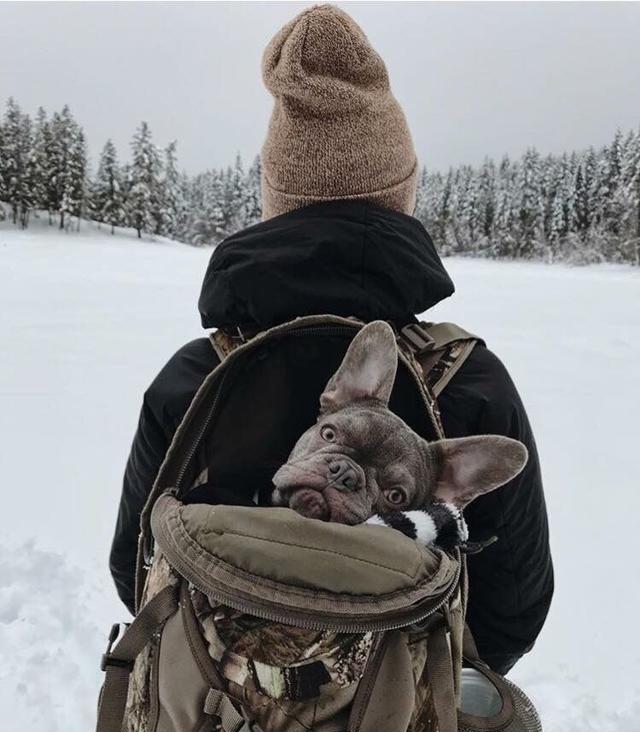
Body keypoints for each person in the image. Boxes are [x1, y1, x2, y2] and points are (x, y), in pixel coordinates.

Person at [110, 4, 553, 676]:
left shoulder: (195, 376)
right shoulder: (469, 381)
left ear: (275, 201)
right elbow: (514, 609)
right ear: (400, 198)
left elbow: (134, 564)